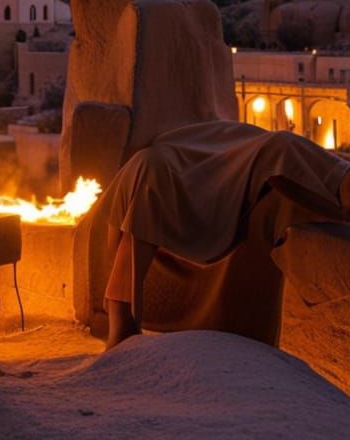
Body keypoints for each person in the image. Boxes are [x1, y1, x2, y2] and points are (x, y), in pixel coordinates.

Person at [100, 120, 350, 348]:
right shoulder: (150, 173)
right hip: (191, 164)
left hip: (225, 155)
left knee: (280, 151)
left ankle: (340, 183)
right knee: (280, 149)